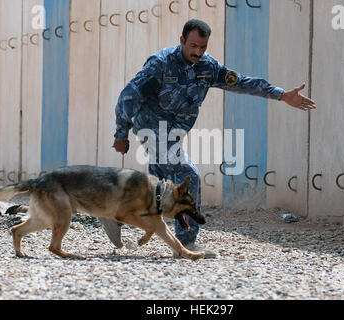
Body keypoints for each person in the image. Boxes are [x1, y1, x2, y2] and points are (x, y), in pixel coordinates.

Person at [102, 19, 316, 258]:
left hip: (174, 133)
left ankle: (113, 211)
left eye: (202, 47)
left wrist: (281, 95)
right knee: (187, 175)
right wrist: (121, 133)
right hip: (152, 126)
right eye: (193, 45)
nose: (197, 52)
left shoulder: (207, 67)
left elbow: (241, 82)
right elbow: (128, 97)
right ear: (182, 40)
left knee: (159, 188)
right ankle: (186, 244)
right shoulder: (161, 64)